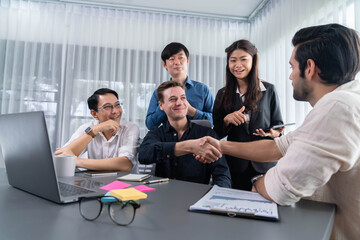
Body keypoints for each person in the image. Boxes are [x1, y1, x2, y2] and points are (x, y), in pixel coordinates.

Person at [197, 24, 360, 239]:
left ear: (309, 68)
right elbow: (281, 146)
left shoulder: (336, 107)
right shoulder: (346, 99)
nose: (291, 76)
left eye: (292, 67)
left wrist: (257, 182)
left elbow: (282, 187)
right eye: (233, 60)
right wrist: (220, 145)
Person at [213, 39, 284, 190]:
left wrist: (274, 133)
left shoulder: (269, 90)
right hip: (235, 164)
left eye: (243, 59)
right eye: (233, 60)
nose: (238, 65)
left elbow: (278, 125)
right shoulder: (223, 94)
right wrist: (226, 120)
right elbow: (216, 133)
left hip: (265, 164)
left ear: (253, 61)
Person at [139, 81, 231, 188]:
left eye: (183, 98)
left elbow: (222, 174)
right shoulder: (156, 133)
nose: (180, 103)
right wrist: (189, 146)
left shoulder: (207, 134)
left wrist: (215, 197)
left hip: (197, 197)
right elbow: (144, 154)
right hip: (164, 196)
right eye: (173, 99)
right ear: (161, 105)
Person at [55, 88, 140, 172]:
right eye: (107, 107)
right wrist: (95, 130)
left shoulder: (130, 128)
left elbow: (125, 164)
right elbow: (61, 157)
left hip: (125, 184)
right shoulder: (87, 128)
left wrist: (77, 161)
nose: (115, 111)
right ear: (94, 114)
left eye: (117, 105)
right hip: (94, 184)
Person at [145, 42, 214, 130]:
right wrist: (164, 105)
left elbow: (215, 121)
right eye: (172, 59)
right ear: (164, 64)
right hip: (170, 141)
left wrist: (193, 112)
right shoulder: (159, 92)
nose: (177, 62)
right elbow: (150, 125)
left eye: (181, 58)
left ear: (188, 61)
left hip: (198, 141)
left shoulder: (202, 89)